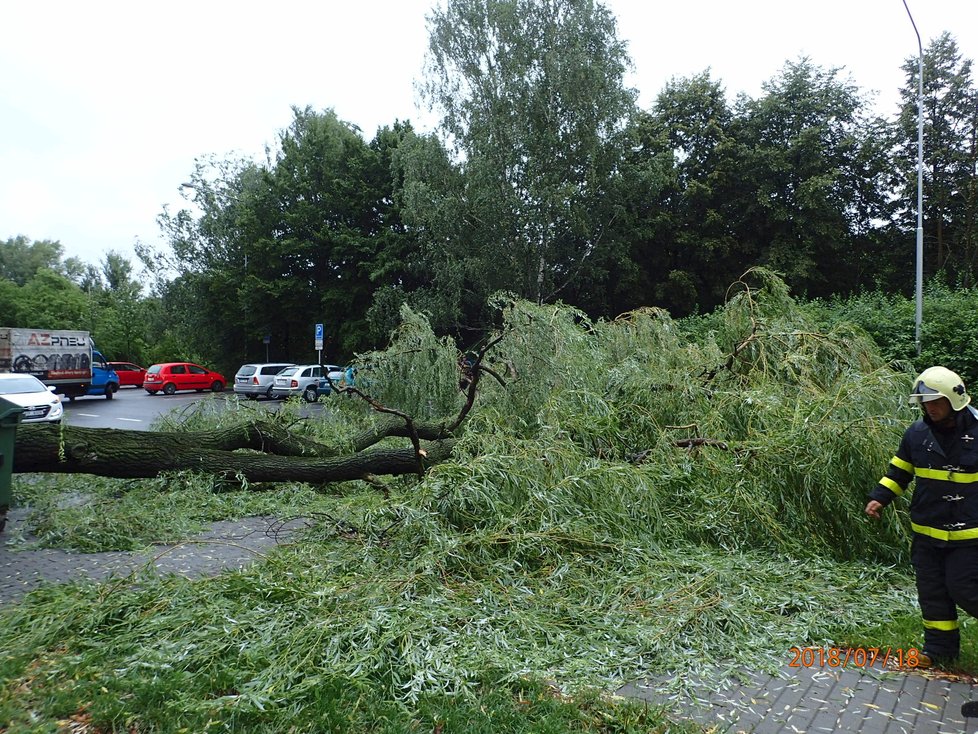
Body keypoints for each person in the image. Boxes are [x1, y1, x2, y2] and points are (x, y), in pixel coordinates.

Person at [866, 366, 978, 667]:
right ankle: (939, 651)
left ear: (955, 399)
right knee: (932, 592)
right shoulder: (916, 433)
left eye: (936, 401)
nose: (930, 407)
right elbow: (900, 470)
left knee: (964, 588)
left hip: (969, 535)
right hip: (927, 531)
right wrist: (880, 497)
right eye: (925, 402)